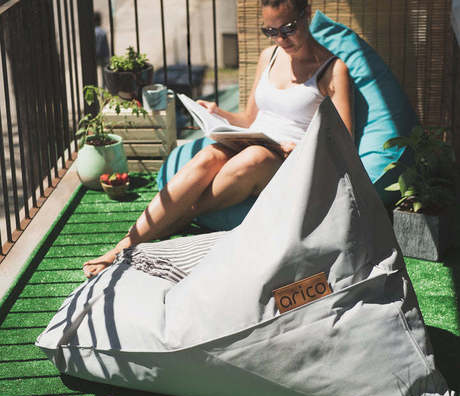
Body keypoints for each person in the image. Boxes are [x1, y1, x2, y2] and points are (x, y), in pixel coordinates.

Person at [83, 0, 352, 278]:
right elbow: (249, 119)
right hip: (255, 141)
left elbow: (345, 142)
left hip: (290, 159)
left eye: (288, 29)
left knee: (253, 158)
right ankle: (126, 243)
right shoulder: (269, 56)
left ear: (306, 13)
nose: (280, 39)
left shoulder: (332, 70)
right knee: (207, 157)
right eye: (270, 31)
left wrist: (301, 149)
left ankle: (178, 218)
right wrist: (217, 113)